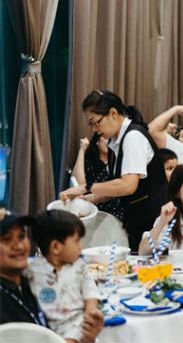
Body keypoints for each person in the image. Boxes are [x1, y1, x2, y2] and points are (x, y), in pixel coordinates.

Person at [61, 90, 168, 249]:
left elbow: (127, 186)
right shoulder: (114, 144)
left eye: (95, 122)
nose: (94, 129)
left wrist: (85, 187)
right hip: (137, 221)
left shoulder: (133, 137)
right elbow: (115, 186)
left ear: (113, 113)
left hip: (155, 222)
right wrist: (89, 199)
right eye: (90, 124)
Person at [0, 209, 103, 342]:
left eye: (21, 236)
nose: (18, 246)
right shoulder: (30, 275)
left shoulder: (25, 281)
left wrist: (88, 337)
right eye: (7, 239)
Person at [27, 210, 100, 343]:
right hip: (44, 327)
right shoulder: (31, 269)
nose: (80, 247)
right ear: (55, 247)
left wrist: (91, 311)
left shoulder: (80, 267)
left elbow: (90, 291)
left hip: (76, 324)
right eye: (76, 241)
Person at [70, 134, 124, 222]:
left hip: (118, 213)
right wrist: (82, 149)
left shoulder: (118, 162)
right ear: (97, 142)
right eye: (106, 138)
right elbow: (78, 184)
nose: (109, 141)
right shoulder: (90, 162)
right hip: (96, 212)